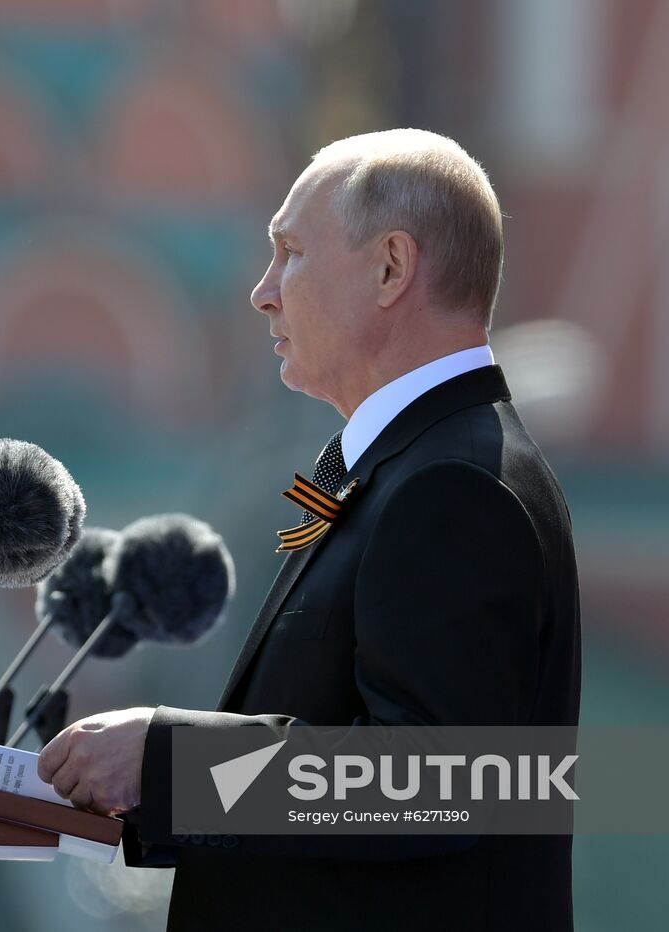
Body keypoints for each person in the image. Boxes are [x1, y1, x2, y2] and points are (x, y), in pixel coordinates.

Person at [38, 128, 581, 931]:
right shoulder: (400, 465)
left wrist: (166, 764)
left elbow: (439, 782)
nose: (263, 291)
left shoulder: (452, 484)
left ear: (392, 267)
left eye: (290, 252)